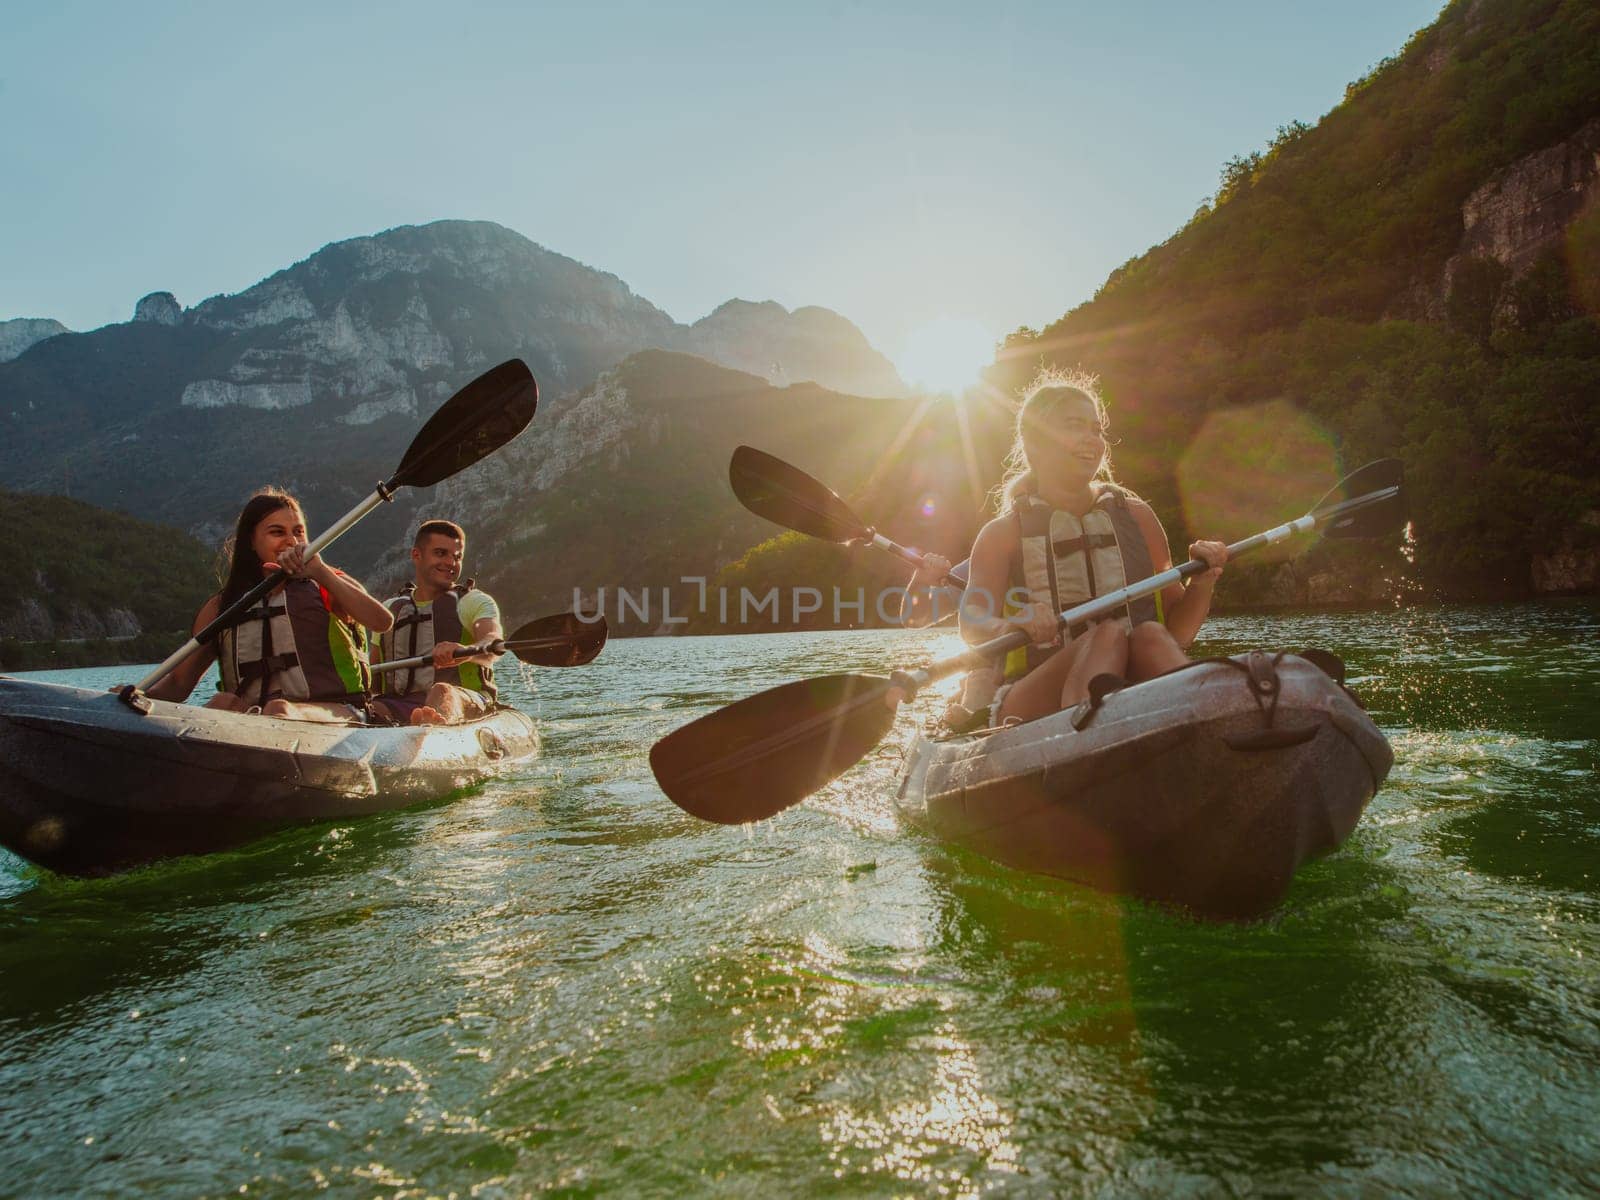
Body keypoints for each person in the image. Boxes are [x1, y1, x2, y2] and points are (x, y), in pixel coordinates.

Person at [958, 375, 1228, 726]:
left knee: (1149, 634)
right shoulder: (1003, 534)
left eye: (1096, 430)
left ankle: (1209, 721)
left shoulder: (1137, 517)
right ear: (1034, 441)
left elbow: (1179, 633)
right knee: (1107, 634)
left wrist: (1204, 580)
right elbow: (971, 621)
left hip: (1131, 682)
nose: (1092, 440)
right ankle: (1086, 736)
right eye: (1075, 427)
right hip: (1032, 697)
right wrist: (1009, 625)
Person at [144, 488, 394, 722]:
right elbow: (178, 683)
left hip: (340, 713)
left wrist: (320, 571)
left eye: (298, 532)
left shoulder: (328, 581)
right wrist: (132, 696)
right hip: (255, 721)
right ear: (251, 541)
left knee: (279, 708)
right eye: (277, 532)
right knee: (223, 702)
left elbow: (382, 622)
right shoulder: (223, 605)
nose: (291, 541)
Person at [370, 520, 504, 726]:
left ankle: (429, 728)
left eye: (457, 557)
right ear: (417, 555)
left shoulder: (473, 601)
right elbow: (374, 671)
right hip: (402, 703)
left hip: (465, 698)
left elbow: (492, 641)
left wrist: (466, 651)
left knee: (441, 690)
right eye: (441, 553)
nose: (451, 562)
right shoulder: (390, 609)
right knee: (373, 708)